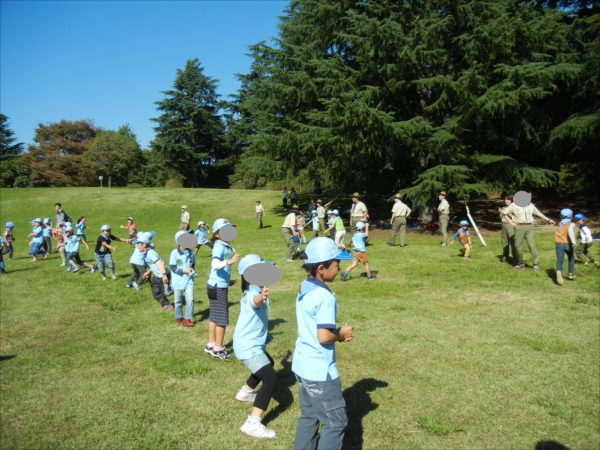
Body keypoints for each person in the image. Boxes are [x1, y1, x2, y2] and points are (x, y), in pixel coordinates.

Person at [292, 238, 354, 450]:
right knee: (335, 422)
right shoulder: (323, 296)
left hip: (302, 365)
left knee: (309, 416)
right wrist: (341, 333)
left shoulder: (304, 287)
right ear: (321, 268)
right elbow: (324, 336)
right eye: (337, 265)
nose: (338, 269)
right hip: (320, 372)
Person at [233, 255, 278, 439]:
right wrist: (261, 297)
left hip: (250, 343)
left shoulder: (251, 290)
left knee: (268, 362)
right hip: (248, 346)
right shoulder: (253, 294)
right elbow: (255, 302)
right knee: (270, 378)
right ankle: (253, 423)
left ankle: (246, 392)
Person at [205, 218, 241, 359]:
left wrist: (227, 280)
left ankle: (211, 344)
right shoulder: (219, 246)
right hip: (217, 287)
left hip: (216, 284)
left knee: (214, 317)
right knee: (221, 319)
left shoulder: (224, 246)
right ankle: (219, 349)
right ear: (217, 234)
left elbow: (218, 271)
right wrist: (229, 261)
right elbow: (215, 264)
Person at [502, 190, 556, 270]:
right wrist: (511, 222)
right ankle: (520, 264)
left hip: (529, 227)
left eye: (530, 196)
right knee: (517, 246)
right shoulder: (514, 205)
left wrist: (548, 220)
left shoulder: (531, 205)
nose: (529, 198)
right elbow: (504, 213)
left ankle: (536, 264)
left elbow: (538, 213)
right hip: (519, 227)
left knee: (532, 246)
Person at [137, 232, 174, 311]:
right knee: (156, 292)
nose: (137, 246)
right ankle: (166, 305)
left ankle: (178, 288)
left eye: (138, 244)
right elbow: (154, 265)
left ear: (144, 244)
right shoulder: (146, 253)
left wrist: (164, 275)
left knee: (165, 293)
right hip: (157, 276)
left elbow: (160, 263)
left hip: (163, 275)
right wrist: (148, 272)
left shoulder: (150, 253)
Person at [169, 231, 196, 327]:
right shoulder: (174, 253)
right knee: (178, 301)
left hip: (189, 281)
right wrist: (185, 271)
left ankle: (187, 319)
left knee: (190, 299)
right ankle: (178, 317)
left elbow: (192, 265)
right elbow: (173, 268)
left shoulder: (192, 253)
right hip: (177, 281)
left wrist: (192, 272)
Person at [554, 209, 577, 285]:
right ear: (571, 216)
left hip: (559, 243)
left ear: (560, 217)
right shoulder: (572, 224)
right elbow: (570, 231)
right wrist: (573, 242)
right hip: (568, 244)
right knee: (571, 258)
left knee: (560, 260)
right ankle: (571, 274)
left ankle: (558, 270)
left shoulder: (560, 224)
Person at [498, 194, 516, 263]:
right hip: (504, 224)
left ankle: (515, 258)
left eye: (508, 199)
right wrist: (500, 213)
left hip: (510, 225)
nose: (506, 201)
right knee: (504, 241)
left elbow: (515, 218)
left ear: (511, 200)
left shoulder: (514, 207)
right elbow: (501, 218)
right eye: (505, 199)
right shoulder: (504, 207)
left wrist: (507, 213)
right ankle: (505, 257)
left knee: (512, 241)